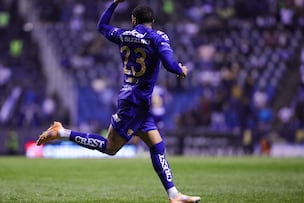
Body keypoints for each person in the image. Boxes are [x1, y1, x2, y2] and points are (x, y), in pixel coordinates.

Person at [36, 0, 200, 202]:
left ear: (133, 20)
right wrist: (180, 70)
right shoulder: (158, 37)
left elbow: (101, 26)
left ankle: (174, 195)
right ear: (153, 20)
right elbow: (169, 64)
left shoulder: (124, 34)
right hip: (135, 103)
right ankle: (61, 132)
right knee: (110, 148)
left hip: (135, 100)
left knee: (157, 146)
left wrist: (114, 3)